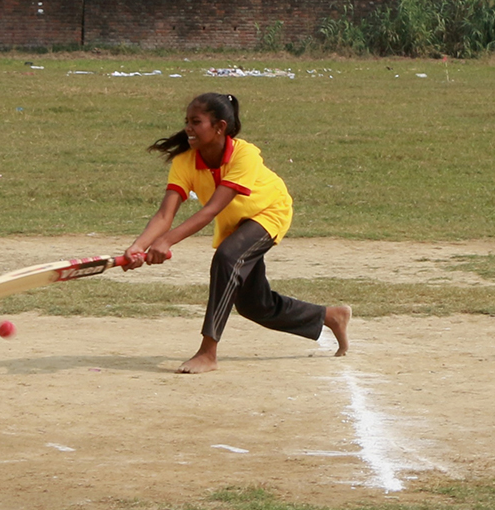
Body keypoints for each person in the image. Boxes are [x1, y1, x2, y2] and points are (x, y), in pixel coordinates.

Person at [122, 92, 351, 374]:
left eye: (196, 122)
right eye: (187, 122)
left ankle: (208, 353)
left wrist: (166, 241)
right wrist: (138, 246)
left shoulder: (245, 154)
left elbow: (211, 210)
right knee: (256, 306)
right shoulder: (185, 161)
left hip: (269, 212)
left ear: (219, 127)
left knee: (227, 258)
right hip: (236, 224)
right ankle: (330, 316)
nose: (188, 129)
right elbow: (164, 214)